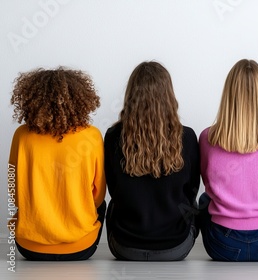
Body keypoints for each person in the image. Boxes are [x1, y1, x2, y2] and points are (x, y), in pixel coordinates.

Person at [197, 59, 258, 262]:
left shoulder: (208, 138)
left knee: (205, 200)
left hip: (223, 246)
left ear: (229, 94)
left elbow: (208, 183)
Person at [105, 61, 200, 261]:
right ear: (169, 95)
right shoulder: (188, 137)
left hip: (125, 246)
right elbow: (191, 191)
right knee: (196, 204)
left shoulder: (114, 136)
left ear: (131, 95)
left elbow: (113, 189)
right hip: (176, 246)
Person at [9, 67, 106, 261]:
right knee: (101, 205)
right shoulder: (92, 136)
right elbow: (98, 195)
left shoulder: (22, 135)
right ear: (80, 100)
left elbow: (14, 190)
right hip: (81, 248)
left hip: (29, 248)